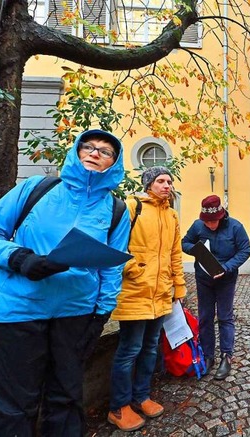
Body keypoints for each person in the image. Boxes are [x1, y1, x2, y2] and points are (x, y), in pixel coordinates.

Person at [0, 130, 130, 436]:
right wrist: (20, 258)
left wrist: (101, 315)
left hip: (74, 316)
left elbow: (110, 270)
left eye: (105, 152)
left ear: (113, 164)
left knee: (65, 401)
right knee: (12, 405)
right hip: (15, 312)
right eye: (88, 147)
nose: (95, 153)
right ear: (76, 152)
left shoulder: (116, 210)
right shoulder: (36, 189)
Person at [108, 166, 186, 431]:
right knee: (129, 349)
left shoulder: (172, 214)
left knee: (150, 347)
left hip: (161, 292)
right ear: (149, 183)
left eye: (169, 181)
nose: (167, 185)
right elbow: (115, 245)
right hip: (135, 291)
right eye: (161, 181)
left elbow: (176, 254)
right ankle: (118, 406)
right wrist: (133, 269)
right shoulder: (132, 206)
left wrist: (179, 287)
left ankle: (141, 396)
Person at [182, 195, 250, 380]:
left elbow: (245, 250)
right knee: (205, 317)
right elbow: (185, 243)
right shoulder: (198, 225)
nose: (211, 225)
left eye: (214, 221)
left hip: (225, 280)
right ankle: (207, 355)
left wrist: (227, 268)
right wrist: (196, 250)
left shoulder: (235, 227)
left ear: (221, 216)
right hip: (203, 278)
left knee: (225, 317)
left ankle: (226, 356)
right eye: (208, 222)